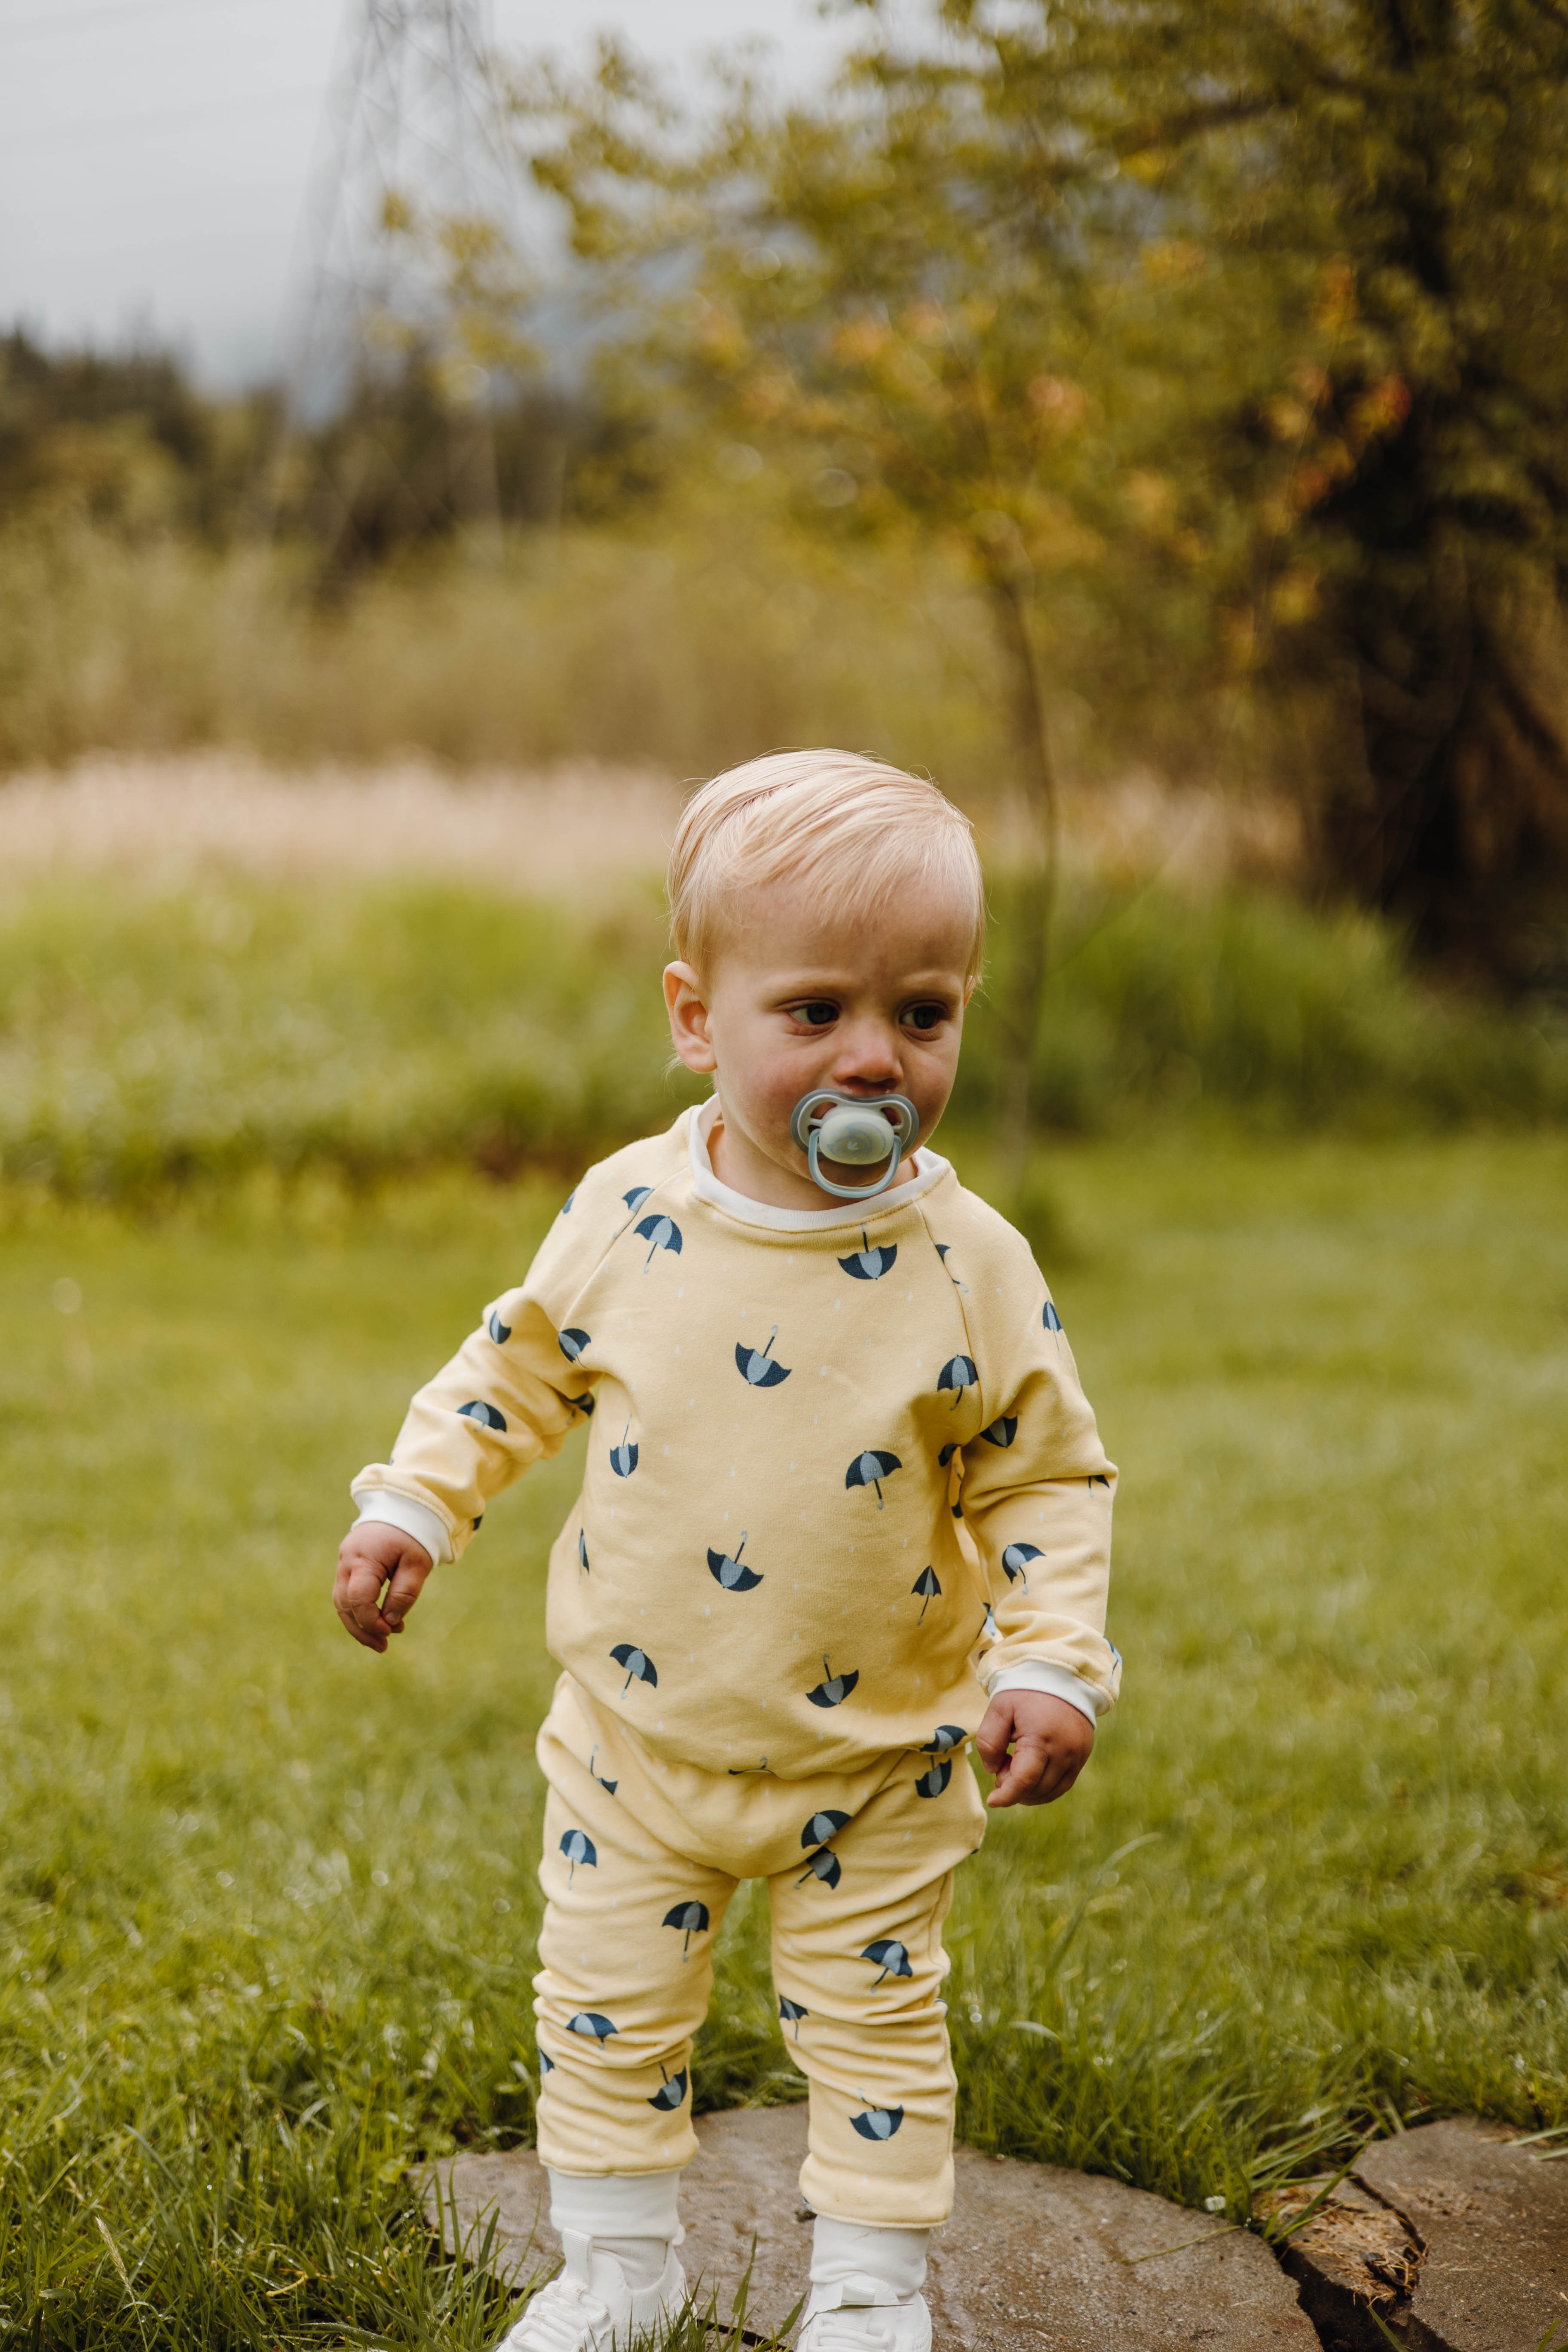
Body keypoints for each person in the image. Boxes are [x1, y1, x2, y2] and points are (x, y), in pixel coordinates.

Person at [334, 751, 1120, 2352]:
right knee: (605, 2013)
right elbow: (513, 1370)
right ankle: (620, 2265)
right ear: (700, 1018)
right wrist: (419, 1501)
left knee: (876, 2029)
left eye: (925, 1012)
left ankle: (868, 2290)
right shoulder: (630, 1214)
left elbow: (1044, 1478)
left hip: (879, 1757)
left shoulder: (969, 1264)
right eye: (816, 1011)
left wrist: (1051, 1657)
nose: (875, 1060)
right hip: (639, 1738)